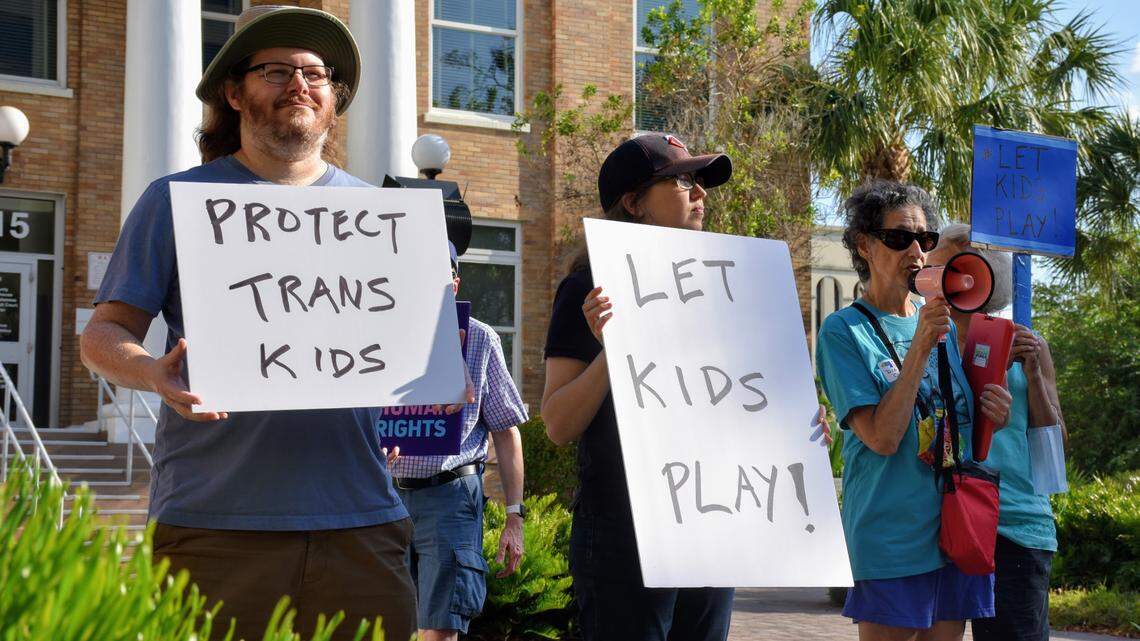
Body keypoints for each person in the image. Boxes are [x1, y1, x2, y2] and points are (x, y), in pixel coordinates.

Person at [79, 7, 463, 640]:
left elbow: (427, 366)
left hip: (361, 524)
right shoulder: (175, 202)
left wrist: (430, 326)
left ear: (334, 100)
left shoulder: (391, 221)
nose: (298, 84)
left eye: (315, 73)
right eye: (275, 70)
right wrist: (152, 373)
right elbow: (102, 335)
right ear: (235, 93)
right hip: (215, 527)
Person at [541, 134, 828, 641]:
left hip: (710, 526)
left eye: (700, 181)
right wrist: (617, 348)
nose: (702, 194)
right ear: (634, 203)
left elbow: (735, 401)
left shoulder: (729, 291)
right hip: (624, 535)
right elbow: (559, 423)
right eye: (683, 181)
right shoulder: (589, 286)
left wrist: (794, 432)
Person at [815, 181, 1012, 641]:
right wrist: (919, 347)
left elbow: (952, 423)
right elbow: (882, 438)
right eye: (899, 238)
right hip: (891, 537)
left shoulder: (938, 317)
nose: (917, 251)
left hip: (954, 529)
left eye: (925, 239)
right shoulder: (844, 332)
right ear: (864, 244)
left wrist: (990, 418)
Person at [928, 224, 1066, 641]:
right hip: (946, 520)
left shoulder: (1029, 344)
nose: (944, 280)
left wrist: (1034, 376)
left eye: (953, 269)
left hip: (1015, 526)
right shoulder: (929, 343)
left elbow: (1057, 447)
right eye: (936, 271)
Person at [390, 243, 528, 641]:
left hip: (451, 497)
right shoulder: (381, 340)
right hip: (387, 496)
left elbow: (505, 430)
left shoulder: (480, 339)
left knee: (440, 630)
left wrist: (514, 516)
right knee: (384, 620)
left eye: (440, 280)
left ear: (454, 284)